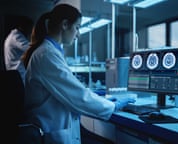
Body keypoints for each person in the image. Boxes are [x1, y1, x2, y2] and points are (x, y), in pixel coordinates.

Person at [19, 4, 135, 144]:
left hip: (58, 125)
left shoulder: (50, 51)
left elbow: (72, 89)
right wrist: (111, 106)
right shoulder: (46, 54)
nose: (78, 34)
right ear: (65, 25)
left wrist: (102, 101)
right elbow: (76, 94)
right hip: (52, 130)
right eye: (77, 27)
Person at [4, 16, 33, 84]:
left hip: (15, 73)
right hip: (17, 73)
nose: (31, 31)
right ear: (23, 27)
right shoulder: (16, 37)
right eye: (30, 28)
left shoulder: (14, 36)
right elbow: (31, 49)